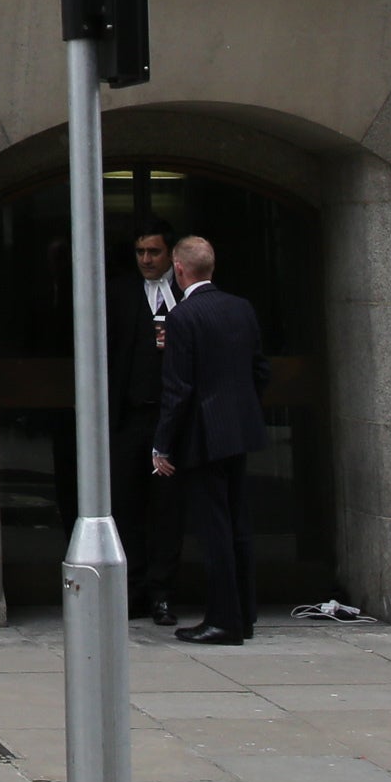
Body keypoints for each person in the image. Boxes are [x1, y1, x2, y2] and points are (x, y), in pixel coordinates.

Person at [148, 235, 268, 646]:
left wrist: (162, 444)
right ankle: (244, 614)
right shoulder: (241, 308)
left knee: (214, 529)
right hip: (239, 431)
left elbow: (177, 389)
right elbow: (259, 370)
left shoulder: (183, 317)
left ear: (179, 270)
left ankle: (223, 620)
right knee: (238, 525)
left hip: (203, 437)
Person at [109, 228, 181, 624]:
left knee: (167, 507)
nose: (147, 259)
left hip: (169, 419)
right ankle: (133, 587)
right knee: (127, 503)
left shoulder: (185, 294)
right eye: (140, 252)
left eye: (154, 251)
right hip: (131, 415)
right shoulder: (120, 293)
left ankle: (162, 590)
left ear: (171, 254)